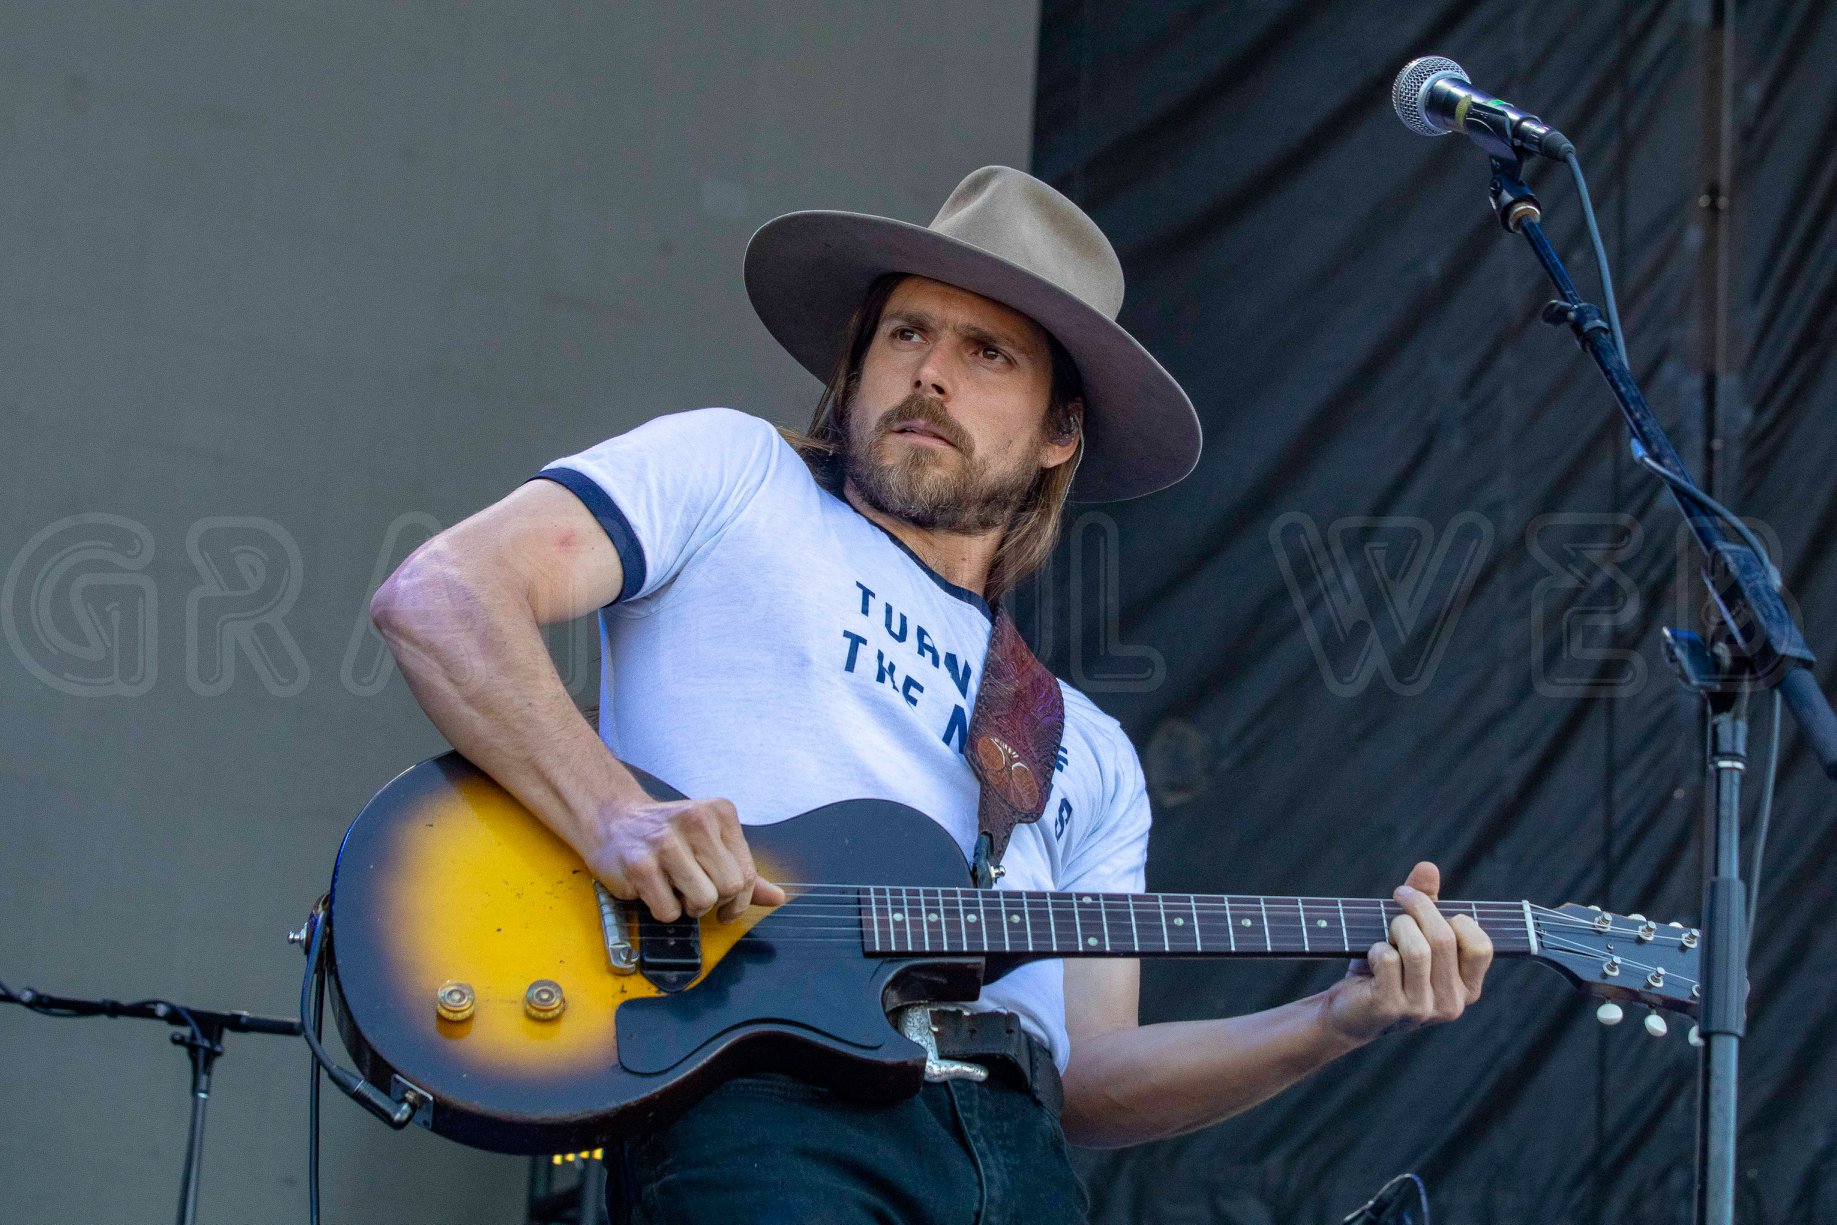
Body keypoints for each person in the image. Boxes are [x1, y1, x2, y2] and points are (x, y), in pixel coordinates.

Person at [371, 166, 1494, 1224]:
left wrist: (1334, 1020)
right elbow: (443, 593)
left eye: (988, 352)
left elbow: (1092, 1071)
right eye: (906, 333)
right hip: (759, 1109)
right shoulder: (731, 476)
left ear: (1061, 433)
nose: (930, 372)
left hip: (1014, 1151)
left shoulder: (1079, 745)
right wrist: (613, 812)